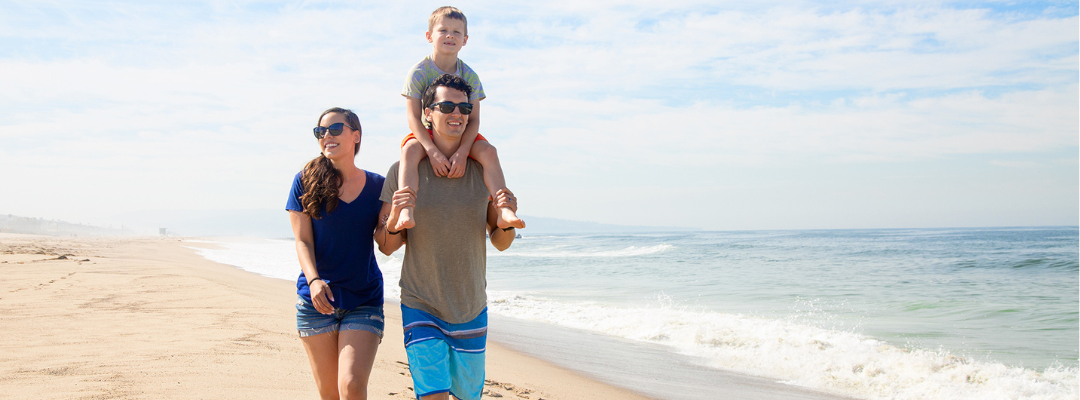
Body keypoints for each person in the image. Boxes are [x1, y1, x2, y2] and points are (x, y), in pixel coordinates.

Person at [378, 75, 518, 400]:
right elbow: (386, 247)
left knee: (468, 397)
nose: (457, 113)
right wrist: (395, 222)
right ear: (427, 113)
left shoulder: (482, 169)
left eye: (464, 107)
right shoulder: (401, 170)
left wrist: (507, 220)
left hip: (470, 306)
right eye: (447, 106)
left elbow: (499, 241)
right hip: (421, 304)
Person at [287, 107, 391, 400]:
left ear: (355, 136)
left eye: (335, 129)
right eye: (321, 131)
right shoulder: (305, 180)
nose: (327, 136)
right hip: (316, 302)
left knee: (352, 386)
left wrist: (393, 218)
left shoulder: (378, 186)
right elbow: (303, 241)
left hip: (364, 298)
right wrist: (314, 280)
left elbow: (385, 244)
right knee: (330, 394)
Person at [394, 5, 525, 232]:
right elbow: (414, 117)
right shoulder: (418, 72)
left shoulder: (470, 76)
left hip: (462, 133)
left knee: (489, 152)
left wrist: (463, 152)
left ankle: (503, 209)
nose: (449, 36)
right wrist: (431, 150)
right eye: (443, 30)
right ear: (429, 36)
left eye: (456, 32)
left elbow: (473, 120)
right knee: (409, 151)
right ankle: (406, 209)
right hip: (427, 132)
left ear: (465, 40)